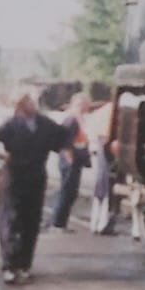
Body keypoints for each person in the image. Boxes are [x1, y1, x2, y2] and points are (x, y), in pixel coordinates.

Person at [0, 92, 71, 285]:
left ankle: (24, 264)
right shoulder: (10, 125)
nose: (31, 104)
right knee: (11, 220)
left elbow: (64, 135)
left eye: (31, 101)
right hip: (15, 177)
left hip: (37, 176)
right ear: (19, 106)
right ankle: (9, 265)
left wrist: (67, 149)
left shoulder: (45, 123)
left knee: (32, 221)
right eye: (27, 102)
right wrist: (1, 157)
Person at [49, 93, 91, 231]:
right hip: (70, 160)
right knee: (67, 191)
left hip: (75, 160)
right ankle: (58, 223)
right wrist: (69, 159)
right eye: (82, 104)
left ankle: (61, 222)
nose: (85, 107)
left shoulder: (78, 119)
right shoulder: (71, 120)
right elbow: (66, 141)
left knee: (71, 192)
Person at [84, 99, 119, 235]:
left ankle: (96, 223)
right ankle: (101, 223)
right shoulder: (111, 111)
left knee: (101, 186)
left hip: (100, 147)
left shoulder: (100, 112)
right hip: (105, 148)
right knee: (105, 187)